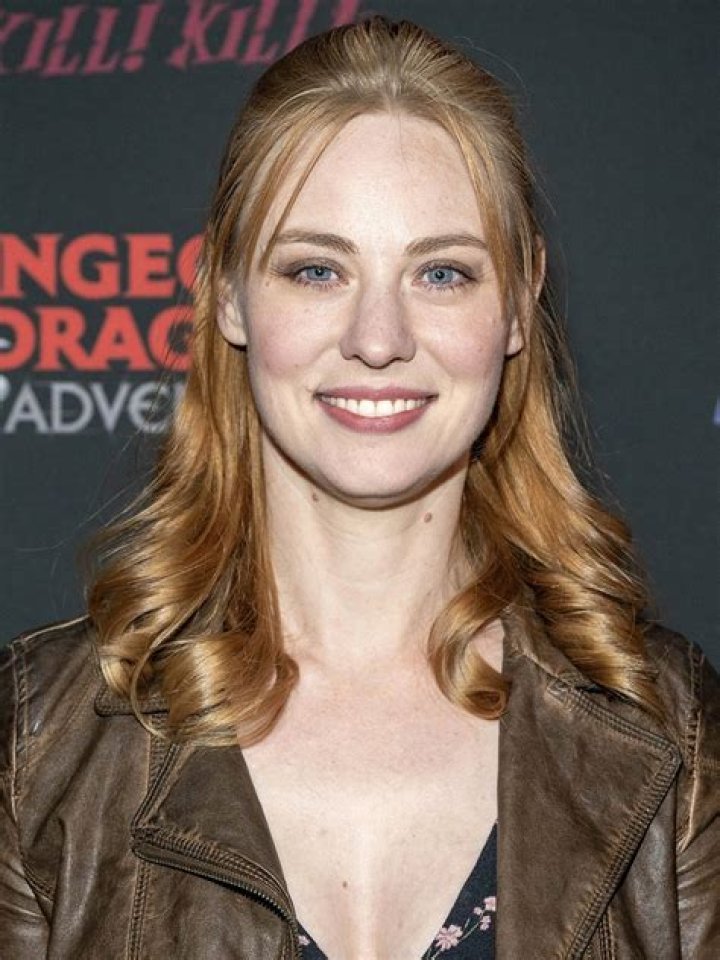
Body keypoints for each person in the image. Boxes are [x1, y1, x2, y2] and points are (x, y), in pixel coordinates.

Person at [0, 16, 717, 960]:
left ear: (518, 301)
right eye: (317, 269)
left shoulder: (672, 734)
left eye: (442, 272)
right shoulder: (36, 745)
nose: (378, 338)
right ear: (228, 292)